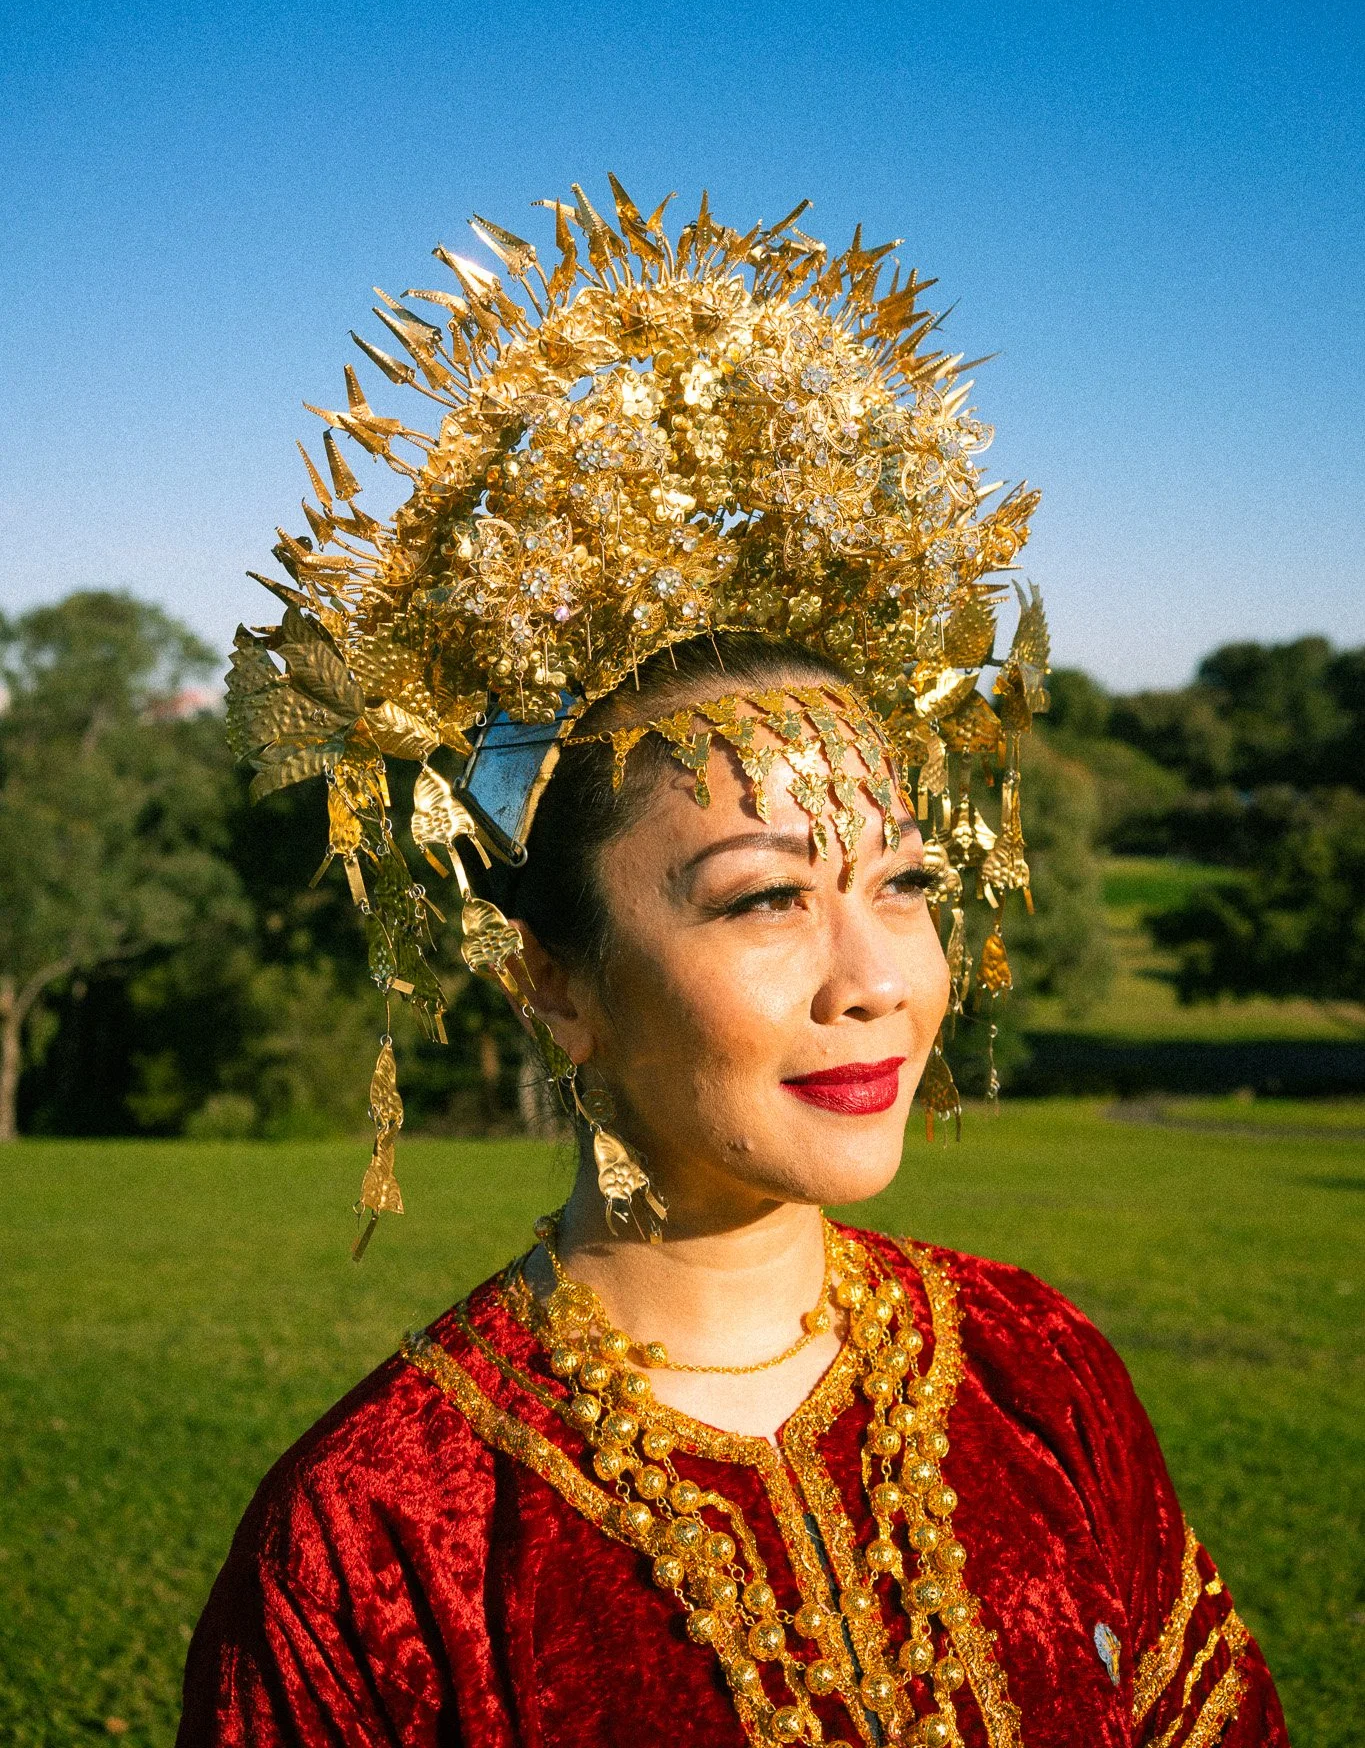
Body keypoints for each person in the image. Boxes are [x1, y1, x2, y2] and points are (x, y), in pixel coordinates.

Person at [186, 186, 1287, 1745]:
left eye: (902, 884)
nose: (876, 980)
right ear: (551, 980)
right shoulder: (374, 1542)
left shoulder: (1040, 1378)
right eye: (765, 899)